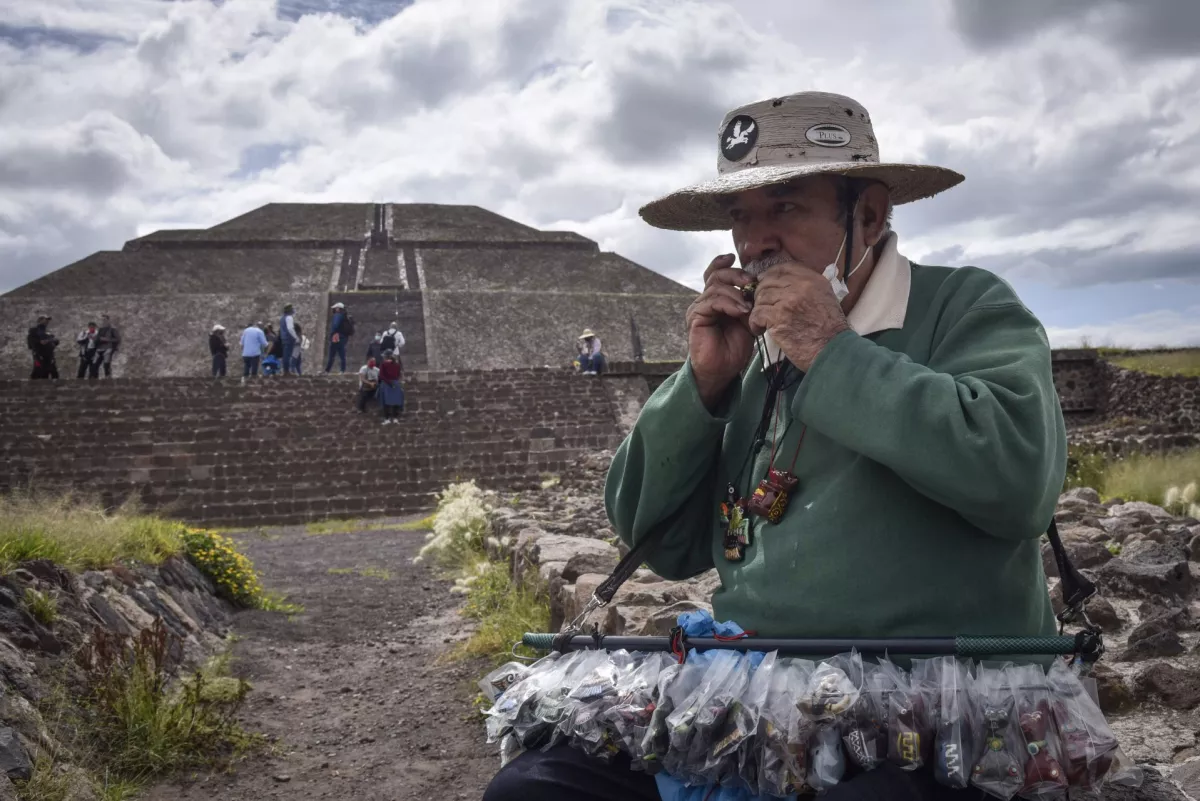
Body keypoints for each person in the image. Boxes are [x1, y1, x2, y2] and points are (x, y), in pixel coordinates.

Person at [484, 91, 1067, 801]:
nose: (755, 242)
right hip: (755, 702)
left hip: (934, 712)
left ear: (871, 214)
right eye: (741, 218)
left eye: (785, 209)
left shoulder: (965, 307)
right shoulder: (755, 358)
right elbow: (659, 541)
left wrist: (832, 351)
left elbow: (1020, 480)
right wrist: (700, 384)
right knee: (537, 788)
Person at [27, 315, 59, 379]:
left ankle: (55, 385)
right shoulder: (34, 331)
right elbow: (31, 342)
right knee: (38, 368)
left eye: (48, 320)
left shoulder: (47, 332)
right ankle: (33, 384)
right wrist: (39, 342)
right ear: (40, 320)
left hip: (49, 355)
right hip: (38, 354)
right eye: (45, 319)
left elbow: (55, 340)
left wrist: (51, 342)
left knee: (52, 370)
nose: (47, 321)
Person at [377, 351, 404, 424]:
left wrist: (389, 382)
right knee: (396, 401)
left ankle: (387, 418)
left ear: (385, 356)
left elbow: (381, 376)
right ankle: (395, 418)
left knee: (385, 402)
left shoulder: (383, 364)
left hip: (386, 384)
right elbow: (398, 375)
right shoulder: (397, 365)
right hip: (395, 383)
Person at [325, 302, 350, 373]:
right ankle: (342, 370)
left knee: (332, 354)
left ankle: (327, 370)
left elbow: (335, 326)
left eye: (335, 308)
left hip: (336, 337)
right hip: (343, 337)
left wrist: (332, 334)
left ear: (338, 309)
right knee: (342, 354)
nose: (334, 309)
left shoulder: (337, 315)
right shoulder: (344, 316)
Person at [279, 303, 299, 375]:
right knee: (288, 355)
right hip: (289, 338)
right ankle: (286, 371)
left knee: (285, 355)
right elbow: (290, 328)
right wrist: (296, 337)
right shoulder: (289, 317)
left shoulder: (282, 318)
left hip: (283, 338)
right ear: (290, 310)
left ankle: (285, 370)